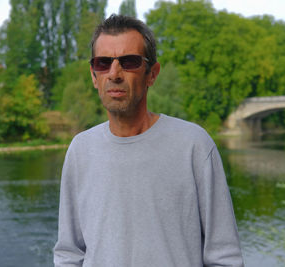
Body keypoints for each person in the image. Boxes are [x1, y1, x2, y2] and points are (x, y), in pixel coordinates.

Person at [53, 14, 244, 267]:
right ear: (93, 75)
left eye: (129, 62)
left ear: (152, 74)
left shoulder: (194, 145)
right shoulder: (80, 150)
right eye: (103, 63)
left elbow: (224, 257)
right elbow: (69, 253)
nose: (114, 73)